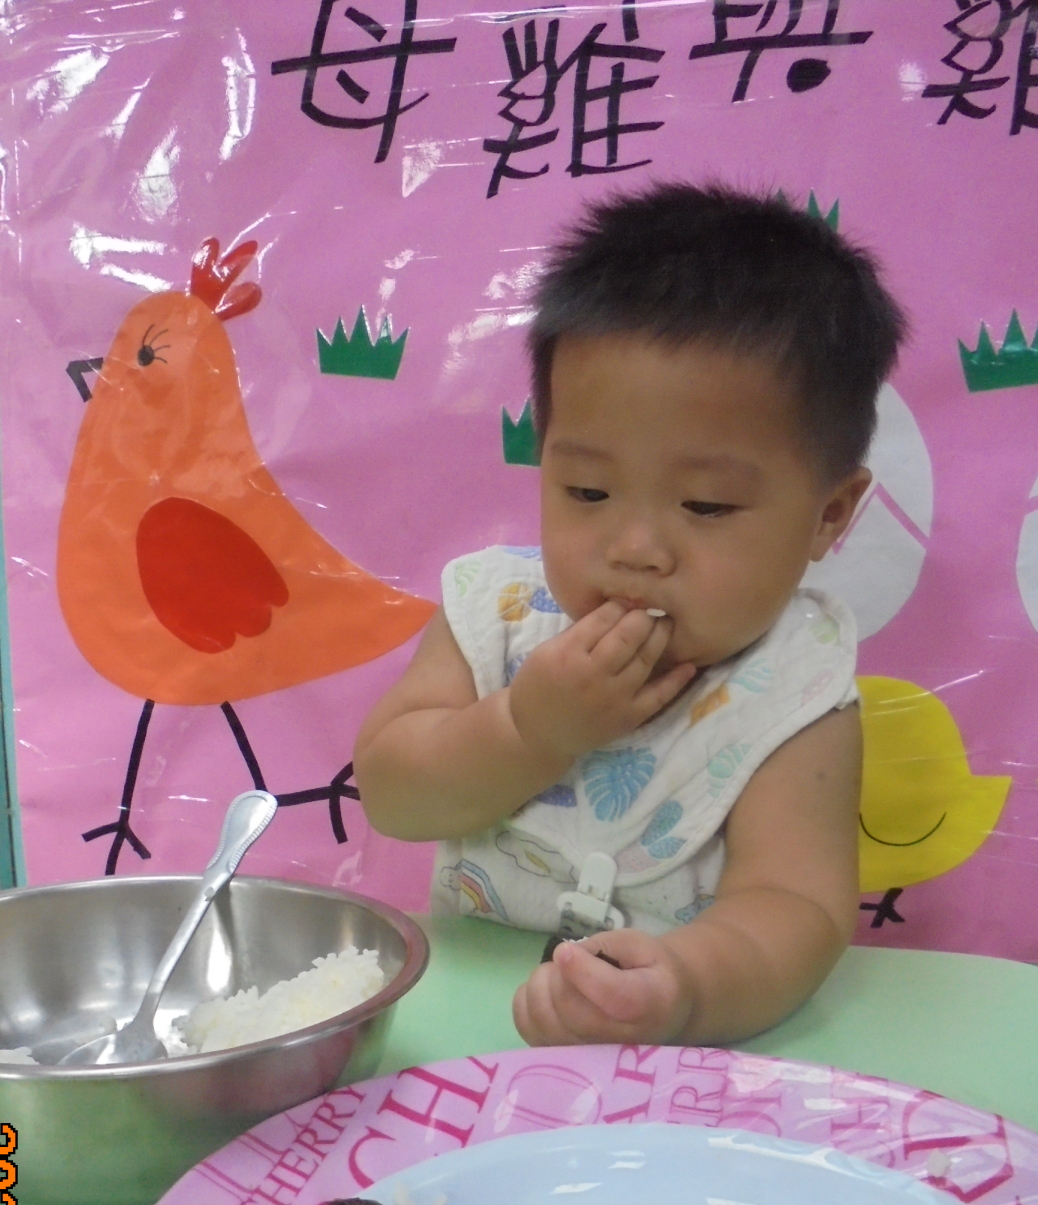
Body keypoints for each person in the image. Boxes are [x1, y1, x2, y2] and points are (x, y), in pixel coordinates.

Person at [354, 182, 907, 1048]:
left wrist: (682, 986)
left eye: (707, 505)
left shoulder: (797, 682)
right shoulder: (497, 613)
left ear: (829, 515)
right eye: (587, 490)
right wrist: (529, 727)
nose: (636, 547)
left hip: (677, 1050)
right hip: (461, 1020)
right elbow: (393, 794)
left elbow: (794, 903)